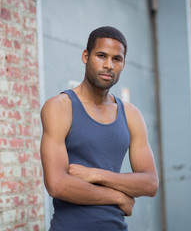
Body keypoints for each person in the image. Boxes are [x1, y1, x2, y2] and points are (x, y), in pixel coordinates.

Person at [40, 26, 159, 231]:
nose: (108, 65)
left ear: (123, 64)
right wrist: (117, 196)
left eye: (116, 59)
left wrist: (96, 174)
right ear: (86, 56)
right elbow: (57, 184)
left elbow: (150, 183)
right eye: (101, 56)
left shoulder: (131, 114)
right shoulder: (60, 107)